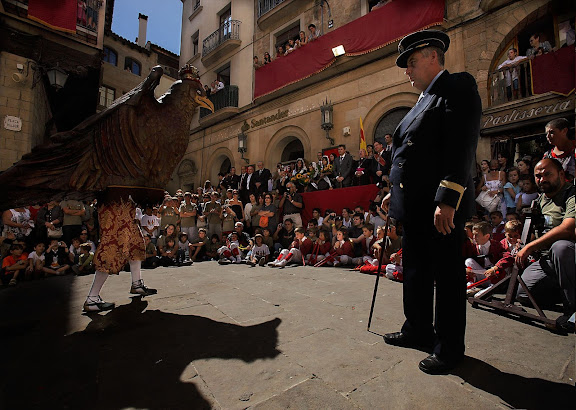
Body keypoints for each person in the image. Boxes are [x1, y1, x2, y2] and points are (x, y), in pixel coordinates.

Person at [381, 29, 481, 374]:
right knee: (416, 270)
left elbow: (461, 146)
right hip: (415, 205)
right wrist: (395, 192)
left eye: (411, 62)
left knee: (447, 275)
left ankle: (449, 348)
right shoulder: (424, 99)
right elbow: (413, 156)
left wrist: (448, 199)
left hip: (439, 206)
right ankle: (418, 329)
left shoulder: (456, 87)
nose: (407, 71)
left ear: (433, 56)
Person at [515, 158, 575, 332]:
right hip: (549, 259)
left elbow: (568, 228)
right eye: (538, 176)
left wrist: (530, 247)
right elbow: (539, 231)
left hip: (569, 254)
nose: (542, 179)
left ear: (561, 174)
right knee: (524, 294)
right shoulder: (540, 200)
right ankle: (566, 291)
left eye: (547, 174)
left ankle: (572, 311)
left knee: (560, 247)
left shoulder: (571, 195)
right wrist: (524, 243)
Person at [541, 118, 575, 183]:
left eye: (552, 132)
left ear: (564, 131)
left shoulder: (574, 149)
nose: (548, 136)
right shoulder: (547, 156)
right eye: (546, 133)